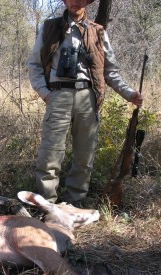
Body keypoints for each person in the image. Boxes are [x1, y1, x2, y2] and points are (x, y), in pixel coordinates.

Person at [28, 0, 143, 206]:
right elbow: (35, 65)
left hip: (87, 97)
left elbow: (110, 72)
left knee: (84, 156)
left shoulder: (99, 32)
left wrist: (129, 93)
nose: (75, 2)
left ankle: (75, 204)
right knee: (50, 155)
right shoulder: (49, 27)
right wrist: (46, 94)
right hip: (58, 95)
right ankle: (46, 207)